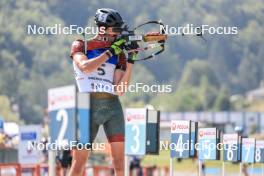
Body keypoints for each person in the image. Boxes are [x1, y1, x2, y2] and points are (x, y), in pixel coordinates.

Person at [69, 8, 137, 176]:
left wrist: (130, 61)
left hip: (112, 106)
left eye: (119, 30)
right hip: (86, 106)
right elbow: (85, 67)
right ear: (102, 29)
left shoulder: (118, 53)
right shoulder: (81, 45)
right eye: (115, 30)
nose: (117, 34)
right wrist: (110, 51)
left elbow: (120, 89)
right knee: (78, 164)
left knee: (120, 165)